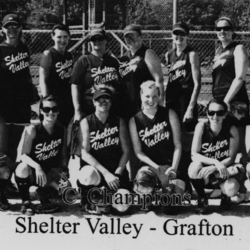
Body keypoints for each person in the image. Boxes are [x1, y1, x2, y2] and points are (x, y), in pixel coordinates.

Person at [129, 81, 185, 213]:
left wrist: (174, 169)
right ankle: (151, 193)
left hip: (171, 166)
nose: (151, 100)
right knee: (142, 182)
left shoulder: (169, 114)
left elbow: (178, 145)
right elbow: (138, 152)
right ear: (141, 96)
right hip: (150, 167)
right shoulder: (134, 120)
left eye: (155, 96)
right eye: (147, 96)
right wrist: (156, 167)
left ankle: (171, 190)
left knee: (171, 208)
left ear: (159, 96)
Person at [76, 87, 131, 214]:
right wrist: (106, 173)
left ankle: (104, 198)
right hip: (97, 172)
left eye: (107, 98)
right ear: (94, 102)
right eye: (99, 99)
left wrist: (117, 174)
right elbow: (84, 153)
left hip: (115, 174)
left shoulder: (118, 121)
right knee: (86, 175)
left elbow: (126, 151)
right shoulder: (86, 122)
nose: (103, 102)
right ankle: (88, 198)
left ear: (111, 102)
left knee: (122, 206)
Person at [188, 99, 247, 215]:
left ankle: (225, 196)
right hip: (205, 172)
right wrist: (215, 162)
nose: (215, 116)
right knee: (193, 168)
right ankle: (202, 197)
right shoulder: (201, 126)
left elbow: (231, 158)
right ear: (207, 113)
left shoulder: (231, 129)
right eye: (211, 112)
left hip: (222, 172)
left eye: (219, 113)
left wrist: (216, 167)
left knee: (231, 188)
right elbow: (194, 154)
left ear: (225, 114)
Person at [15, 95, 68, 215]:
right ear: (41, 111)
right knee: (22, 167)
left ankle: (43, 192)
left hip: (49, 172)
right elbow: (23, 155)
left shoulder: (61, 130)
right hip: (34, 172)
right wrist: (37, 166)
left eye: (54, 109)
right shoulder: (33, 129)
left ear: (58, 111)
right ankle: (26, 202)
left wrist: (64, 172)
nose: (51, 112)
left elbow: (64, 155)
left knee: (66, 191)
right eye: (46, 109)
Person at [213, 17, 249, 154]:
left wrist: (226, 100)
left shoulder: (238, 48)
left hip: (234, 100)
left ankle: (242, 171)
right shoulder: (218, 52)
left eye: (226, 28)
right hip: (220, 100)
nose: (222, 31)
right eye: (219, 29)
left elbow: (240, 77)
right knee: (224, 142)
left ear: (232, 31)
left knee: (238, 144)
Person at [71, 28, 121, 122]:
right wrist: (77, 111)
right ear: (90, 42)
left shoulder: (113, 61)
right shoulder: (83, 60)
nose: (97, 42)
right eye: (94, 39)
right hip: (89, 108)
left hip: (110, 108)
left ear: (106, 40)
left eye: (100, 39)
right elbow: (75, 86)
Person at [119, 24, 165, 121]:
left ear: (140, 36)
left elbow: (159, 80)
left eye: (133, 35)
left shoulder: (148, 53)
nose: (130, 39)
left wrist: (160, 103)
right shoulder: (124, 57)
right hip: (127, 104)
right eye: (127, 36)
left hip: (144, 103)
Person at [165, 22, 201, 133]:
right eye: (176, 33)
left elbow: (197, 84)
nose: (179, 37)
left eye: (182, 34)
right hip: (171, 97)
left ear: (187, 36)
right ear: (172, 35)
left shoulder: (191, 54)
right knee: (172, 132)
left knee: (187, 133)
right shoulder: (168, 54)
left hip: (185, 97)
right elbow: (170, 77)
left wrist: (190, 108)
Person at [0, 14, 35, 123]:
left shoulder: (24, 48)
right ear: (2, 29)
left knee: (22, 135)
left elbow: (26, 72)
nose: (12, 30)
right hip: (5, 101)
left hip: (23, 100)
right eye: (8, 27)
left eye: (15, 26)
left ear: (20, 28)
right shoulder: (1, 49)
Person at [39, 23, 74, 127]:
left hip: (67, 100)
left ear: (69, 37)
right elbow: (43, 80)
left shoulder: (69, 55)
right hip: (53, 100)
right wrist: (47, 102)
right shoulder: (48, 54)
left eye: (65, 37)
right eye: (59, 37)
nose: (62, 40)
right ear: (52, 36)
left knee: (66, 130)